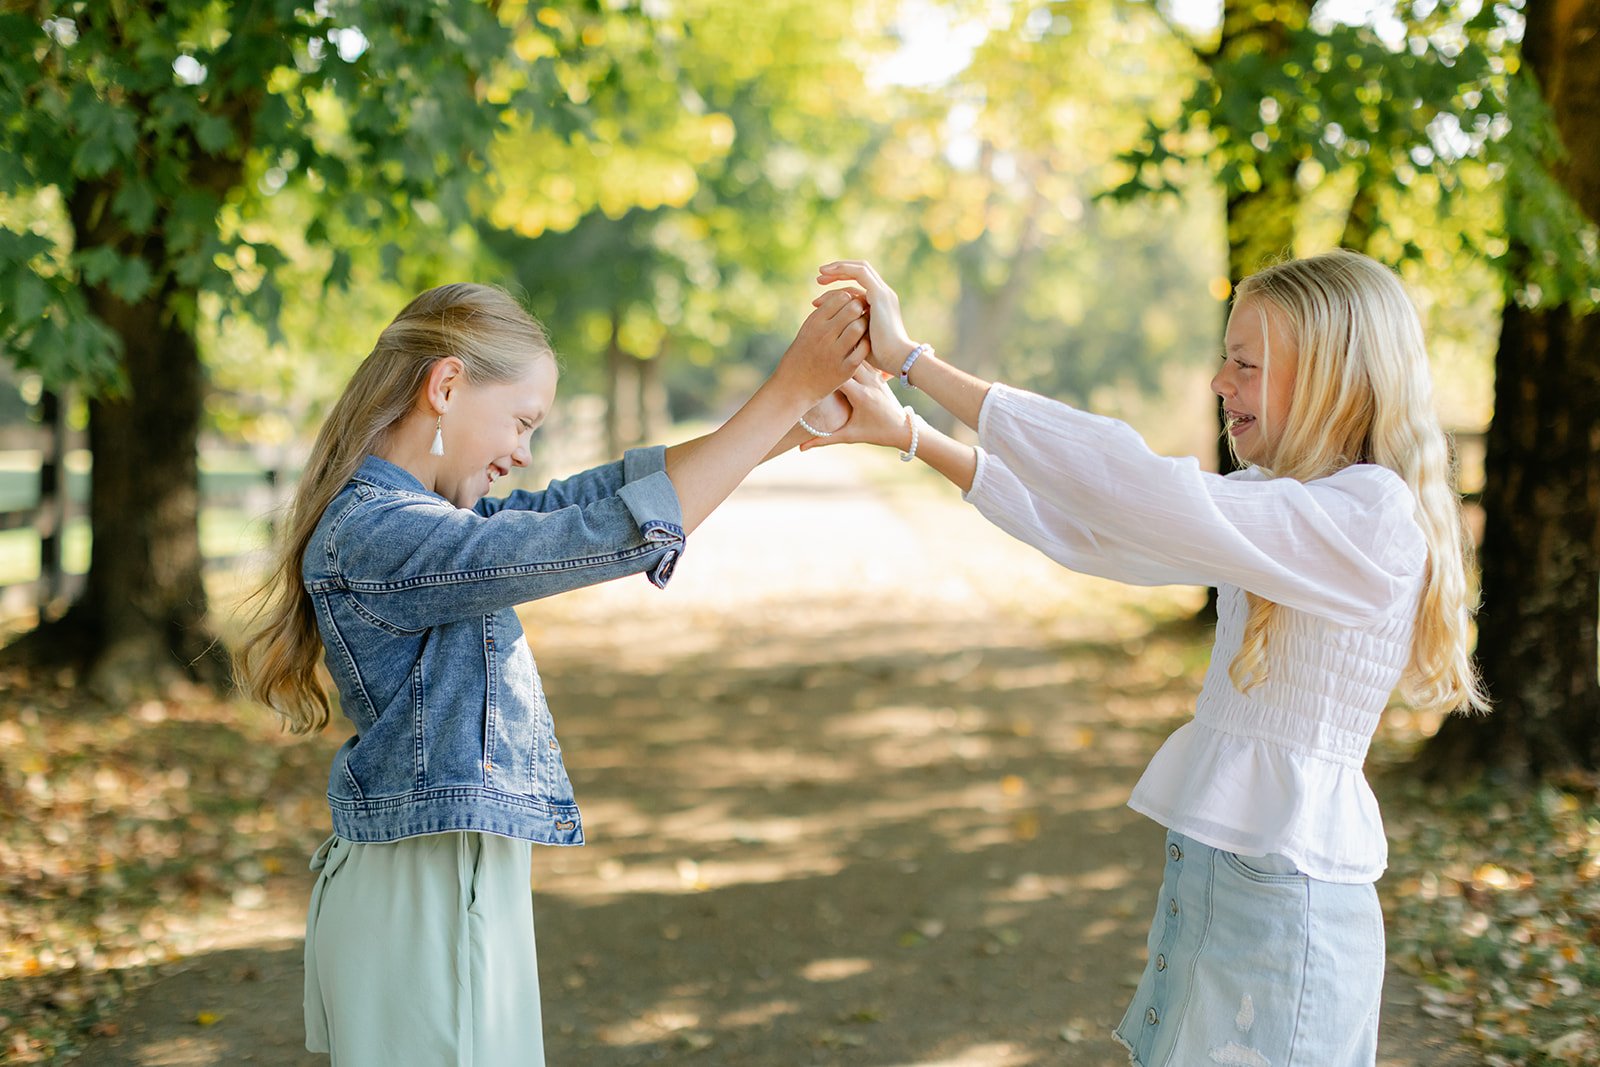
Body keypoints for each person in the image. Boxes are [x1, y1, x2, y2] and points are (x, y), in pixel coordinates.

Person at [808, 252, 1487, 1066]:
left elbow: (1133, 484)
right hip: (1226, 896)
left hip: (1287, 925)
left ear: (1333, 379)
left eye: (1245, 363)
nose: (1219, 382)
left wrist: (916, 363)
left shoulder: (1368, 516)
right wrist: (911, 434)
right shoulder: (1286, 507)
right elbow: (1095, 533)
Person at [234, 281, 868, 1066]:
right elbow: (604, 533)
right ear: (446, 385)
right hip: (426, 896)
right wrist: (784, 392)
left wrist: (793, 423)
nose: (524, 452)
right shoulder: (378, 532)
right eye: (523, 420)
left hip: (447, 883)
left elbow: (594, 496)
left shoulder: (422, 521)